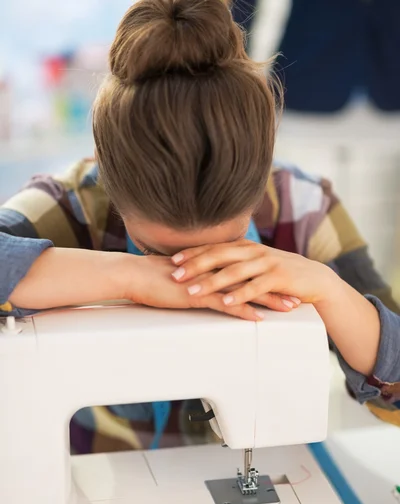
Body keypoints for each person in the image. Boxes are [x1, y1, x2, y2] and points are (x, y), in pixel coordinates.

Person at [1, 0, 399, 453]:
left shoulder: (302, 209)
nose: (196, 276)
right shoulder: (69, 206)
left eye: (230, 248)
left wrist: (332, 292)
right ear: (107, 182)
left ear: (261, 183)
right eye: (156, 251)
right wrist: (130, 278)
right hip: (103, 465)